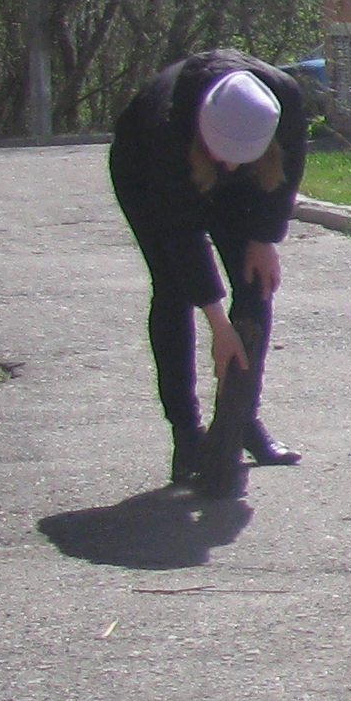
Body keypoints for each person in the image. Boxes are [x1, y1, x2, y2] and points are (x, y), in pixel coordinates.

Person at [108, 49, 315, 503]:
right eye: (224, 157)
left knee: (255, 284)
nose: (230, 168)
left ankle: (243, 421)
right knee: (174, 290)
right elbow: (181, 236)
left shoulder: (285, 98)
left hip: (238, 185)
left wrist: (264, 237)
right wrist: (218, 324)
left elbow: (288, 170)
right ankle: (186, 434)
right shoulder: (167, 127)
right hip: (146, 173)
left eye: (241, 158)